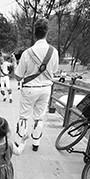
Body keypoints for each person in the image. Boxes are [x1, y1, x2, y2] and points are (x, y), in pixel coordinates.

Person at [14, 18, 59, 151]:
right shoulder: (54, 52)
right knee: (39, 117)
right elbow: (54, 71)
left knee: (24, 116)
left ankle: (20, 142)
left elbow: (18, 76)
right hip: (45, 89)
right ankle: (36, 144)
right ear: (47, 32)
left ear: (35, 33)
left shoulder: (27, 53)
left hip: (29, 89)